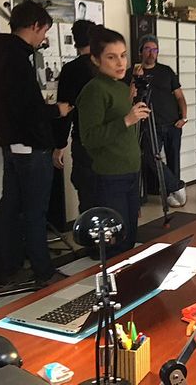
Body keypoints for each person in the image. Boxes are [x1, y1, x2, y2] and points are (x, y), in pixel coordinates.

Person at [0, 1, 72, 287]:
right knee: (36, 211)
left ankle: (8, 267)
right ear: (35, 26)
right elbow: (25, 107)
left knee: (10, 206)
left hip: (9, 143)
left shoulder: (0, 52)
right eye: (44, 32)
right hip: (29, 146)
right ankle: (43, 270)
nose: (43, 39)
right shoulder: (16, 58)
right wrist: (56, 111)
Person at [77, 25, 150, 257]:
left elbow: (122, 129)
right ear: (96, 60)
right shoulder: (94, 90)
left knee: (129, 236)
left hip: (130, 170)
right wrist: (127, 120)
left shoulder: (120, 88)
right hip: (110, 175)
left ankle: (128, 288)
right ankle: (112, 290)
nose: (120, 63)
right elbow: (89, 138)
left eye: (123, 55)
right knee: (115, 243)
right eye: (111, 57)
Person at [125, 34, 188, 208]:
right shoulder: (131, 72)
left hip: (173, 122)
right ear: (140, 52)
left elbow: (180, 96)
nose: (151, 53)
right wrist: (134, 79)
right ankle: (175, 186)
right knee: (151, 157)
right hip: (149, 124)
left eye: (155, 49)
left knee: (174, 158)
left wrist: (184, 117)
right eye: (147, 49)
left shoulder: (166, 71)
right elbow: (127, 99)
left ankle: (172, 193)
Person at [51, 20, 97, 214]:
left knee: (87, 195)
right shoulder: (105, 67)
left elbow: (65, 110)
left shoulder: (71, 70)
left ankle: (92, 240)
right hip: (111, 139)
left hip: (84, 139)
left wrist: (59, 145)